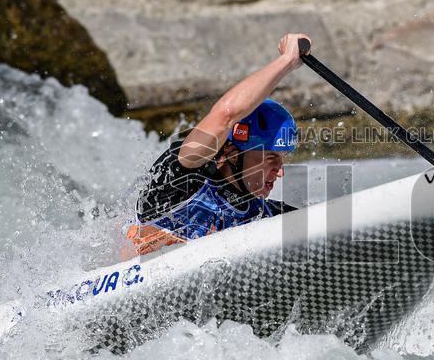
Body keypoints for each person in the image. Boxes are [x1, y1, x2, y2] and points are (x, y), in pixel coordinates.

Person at [122, 33, 311, 259]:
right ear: (232, 153)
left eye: (282, 159)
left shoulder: (266, 215)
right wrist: (287, 60)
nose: (280, 172)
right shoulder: (181, 179)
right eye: (271, 158)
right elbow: (226, 115)